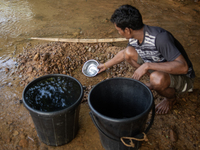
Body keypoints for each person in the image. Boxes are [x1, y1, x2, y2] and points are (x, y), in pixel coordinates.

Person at [97, 4, 195, 115]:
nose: (118, 33)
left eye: (119, 30)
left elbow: (183, 67)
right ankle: (154, 81)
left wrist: (147, 65)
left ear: (128, 30)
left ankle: (170, 99)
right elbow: (124, 54)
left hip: (182, 76)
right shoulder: (135, 36)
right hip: (159, 67)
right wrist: (104, 65)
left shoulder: (160, 38)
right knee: (129, 52)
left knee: (156, 79)